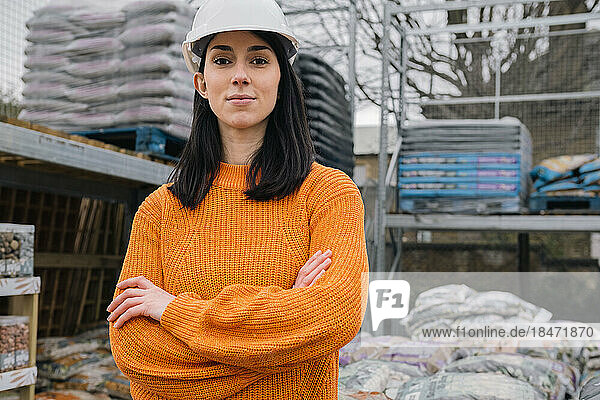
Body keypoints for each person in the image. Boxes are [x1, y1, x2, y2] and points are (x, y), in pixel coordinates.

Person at [106, 0, 369, 398]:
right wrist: (286, 331)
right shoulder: (160, 210)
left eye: (259, 61)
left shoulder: (329, 195)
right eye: (223, 60)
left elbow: (335, 316)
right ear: (201, 83)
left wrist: (173, 310)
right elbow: (134, 351)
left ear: (282, 80)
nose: (241, 76)